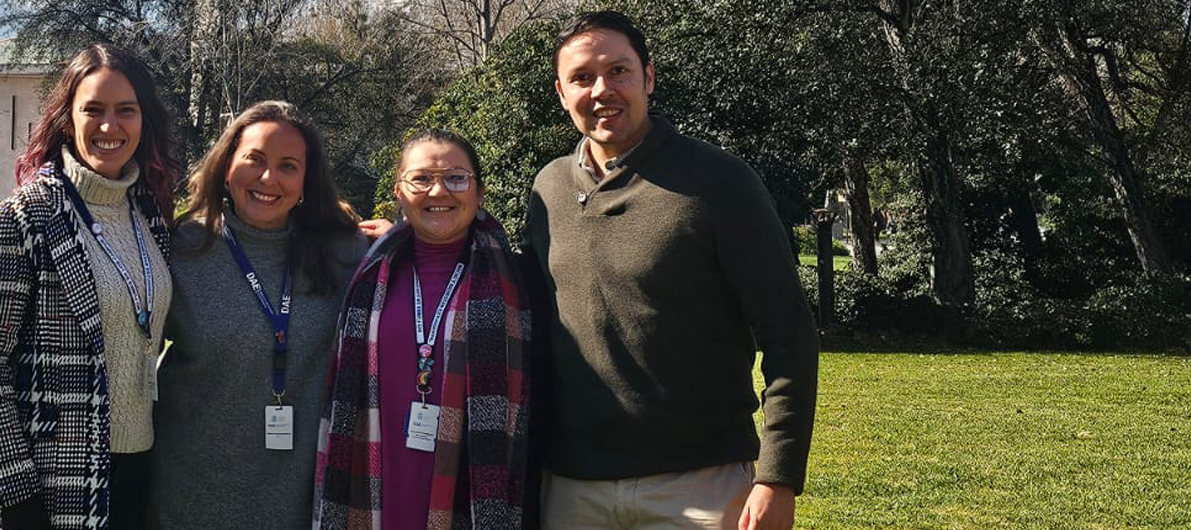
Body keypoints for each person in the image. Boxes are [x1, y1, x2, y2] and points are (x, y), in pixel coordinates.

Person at [523, 11, 819, 530]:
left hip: (698, 486)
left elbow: (788, 332)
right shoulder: (547, 190)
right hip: (572, 487)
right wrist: (402, 239)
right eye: (582, 77)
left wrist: (779, 476)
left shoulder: (721, 183)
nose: (602, 90)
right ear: (560, 92)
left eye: (619, 71)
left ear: (649, 77)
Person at [0, 43, 183, 530]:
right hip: (52, 486)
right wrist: (16, 499)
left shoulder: (151, 217)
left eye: (126, 110)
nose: (110, 126)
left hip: (141, 474)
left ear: (144, 121)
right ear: (67, 118)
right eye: (93, 110)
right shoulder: (21, 218)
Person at [147, 100, 365, 530]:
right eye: (255, 159)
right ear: (227, 164)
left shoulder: (342, 253)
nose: (269, 178)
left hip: (297, 501)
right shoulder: (180, 247)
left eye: (288, 166)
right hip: (187, 497)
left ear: (306, 180)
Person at [313, 129, 535, 530]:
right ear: (398, 192)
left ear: (479, 192)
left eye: (456, 178)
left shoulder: (518, 282)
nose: (439, 192)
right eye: (421, 179)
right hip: (376, 483)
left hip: (468, 489)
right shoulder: (366, 270)